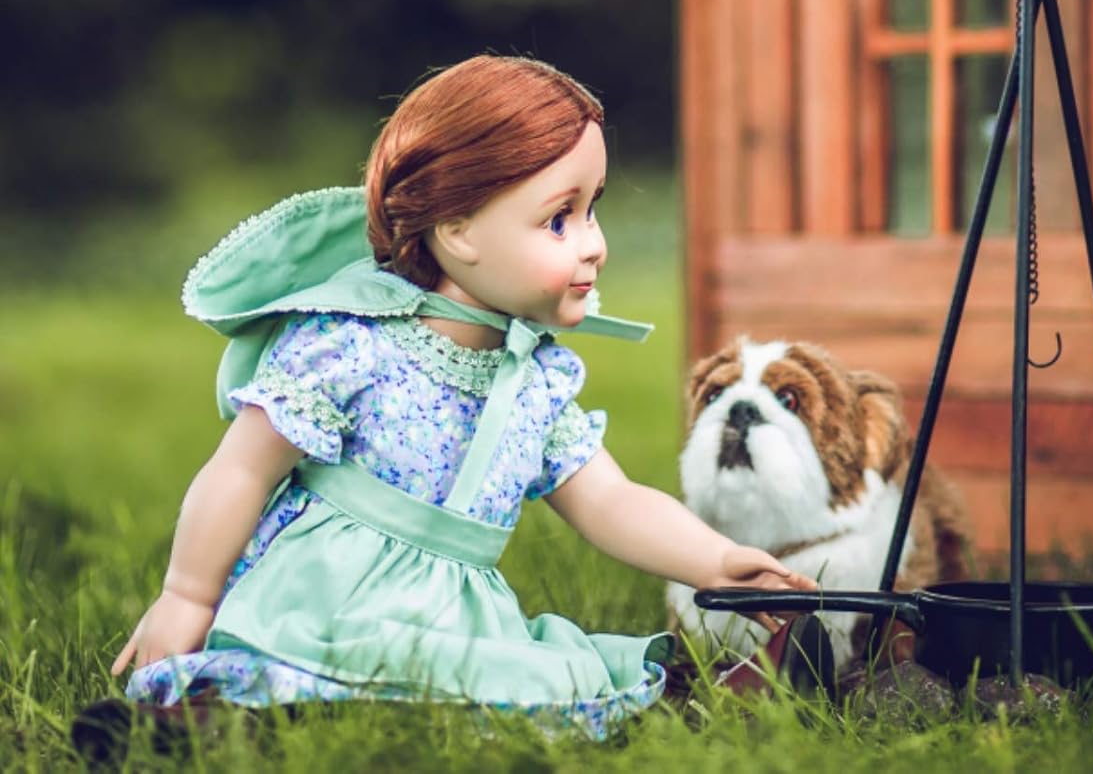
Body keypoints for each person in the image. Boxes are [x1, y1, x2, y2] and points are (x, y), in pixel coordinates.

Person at [100, 55, 819, 738]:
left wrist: (716, 561)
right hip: (322, 599)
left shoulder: (535, 378)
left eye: (591, 210)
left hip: (455, 618)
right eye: (559, 218)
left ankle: (705, 699)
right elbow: (243, 469)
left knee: (504, 688)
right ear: (456, 229)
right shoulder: (354, 345)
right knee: (299, 683)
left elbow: (610, 500)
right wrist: (188, 595)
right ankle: (198, 729)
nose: (594, 244)